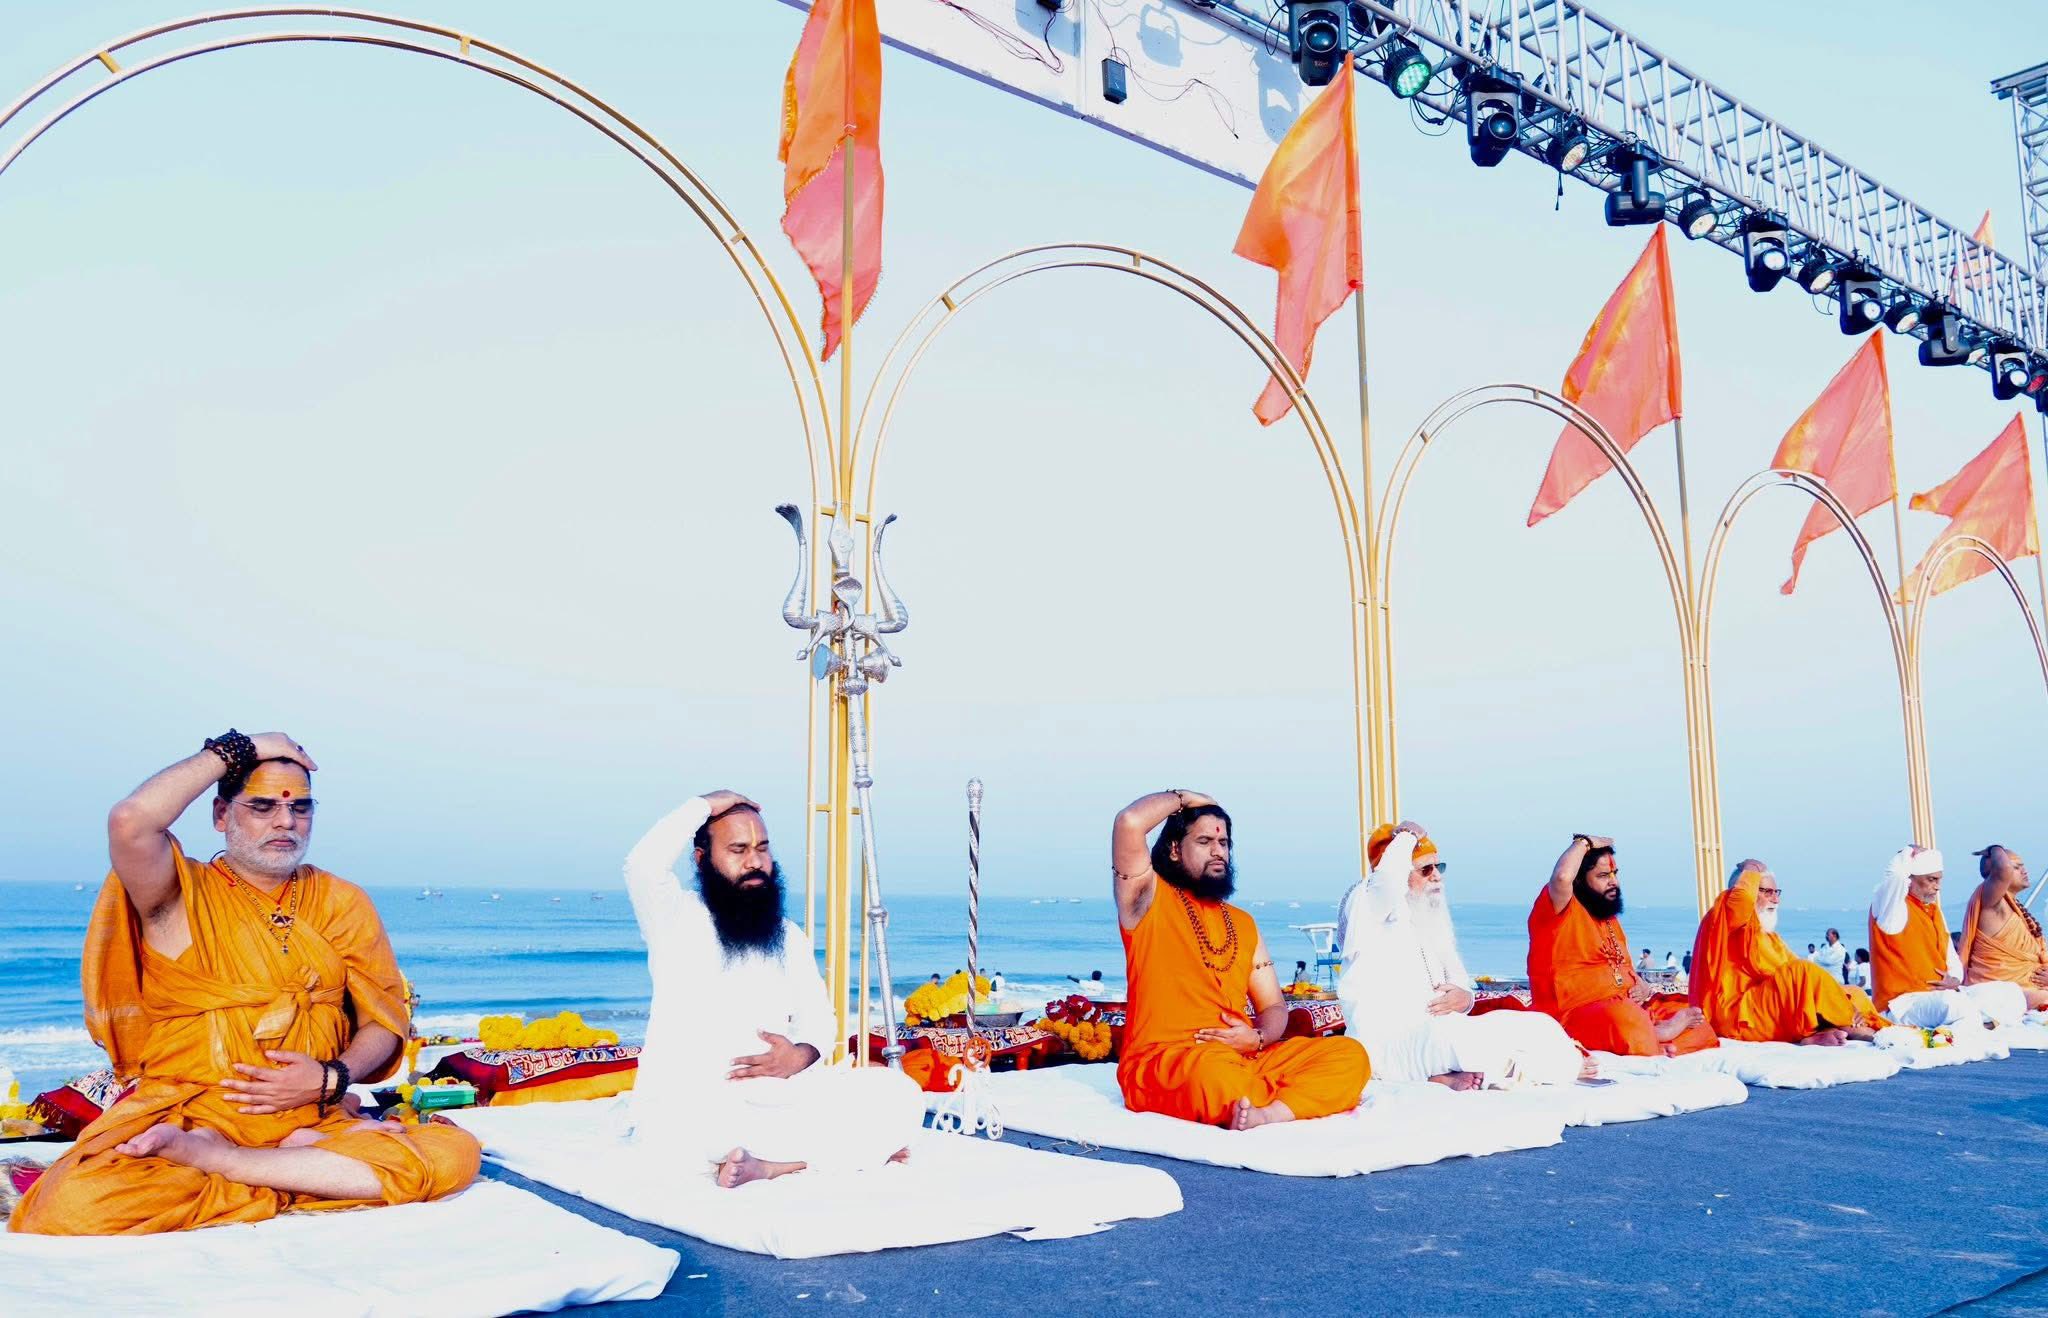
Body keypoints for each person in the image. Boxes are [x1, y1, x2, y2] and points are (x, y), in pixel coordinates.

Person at [11, 733, 479, 1236]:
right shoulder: (178, 895)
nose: (285, 822)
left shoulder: (343, 902)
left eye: (300, 808)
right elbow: (131, 822)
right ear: (221, 815)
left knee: (454, 1155)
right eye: (262, 806)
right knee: (74, 1205)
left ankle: (230, 1163)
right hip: (195, 1113)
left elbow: (384, 1023)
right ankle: (301, 1170)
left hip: (313, 1115)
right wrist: (239, 748)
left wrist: (330, 1078)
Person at [621, 790, 924, 1188]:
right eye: (738, 849)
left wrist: (799, 1055)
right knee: (692, 1131)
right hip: (700, 1103)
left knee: (900, 1094)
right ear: (701, 859)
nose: (754, 862)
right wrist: (707, 804)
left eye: (762, 849)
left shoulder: (787, 936)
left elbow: (821, 1020)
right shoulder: (675, 918)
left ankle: (770, 1165)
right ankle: (838, 1153)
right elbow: (641, 865)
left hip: (779, 1098)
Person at [1112, 790, 1369, 1129]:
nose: (1218, 851)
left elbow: (1273, 1006)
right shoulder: (1148, 901)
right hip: (1171, 1062)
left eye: (1224, 842)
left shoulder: (1243, 923)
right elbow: (1129, 823)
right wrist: (1187, 798)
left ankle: (1269, 1112)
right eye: (1204, 841)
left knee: (1351, 1055)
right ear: (1174, 849)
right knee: (1215, 1077)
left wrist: (1258, 1038)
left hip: (1243, 1056)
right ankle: (1284, 1098)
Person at [1337, 823, 1589, 1090]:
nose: (1437, 877)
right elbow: (1386, 880)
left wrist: (1465, 998)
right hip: (1389, 1045)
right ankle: (1544, 1067)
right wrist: (1408, 836)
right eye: (1425, 869)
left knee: (1539, 1025)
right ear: (1400, 871)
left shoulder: (1427, 917)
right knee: (1458, 1040)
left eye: (1439, 867)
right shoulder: (1368, 904)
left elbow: (1459, 982)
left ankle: (1457, 1074)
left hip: (1437, 1032)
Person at [1527, 835, 1717, 1057]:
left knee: (1700, 1024)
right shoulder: (1559, 909)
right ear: (1579, 880)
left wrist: (1641, 986)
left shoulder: (1608, 917)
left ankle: (1655, 1042)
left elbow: (1622, 967)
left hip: (1628, 1009)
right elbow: (1561, 877)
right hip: (1574, 1014)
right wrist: (1584, 842)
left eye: (1614, 874)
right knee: (1627, 1022)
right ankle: (1656, 1037)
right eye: (1603, 876)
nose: (1614, 882)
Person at [1688, 861, 1880, 1046]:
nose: (1776, 899)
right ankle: (1848, 1025)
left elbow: (1802, 981)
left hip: (1769, 1010)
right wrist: (1751, 868)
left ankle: (1815, 1033)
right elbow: (1741, 900)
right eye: (1767, 892)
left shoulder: (1771, 937)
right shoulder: (1726, 922)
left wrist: (1842, 999)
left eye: (1776, 892)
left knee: (1854, 992)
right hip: (1738, 1016)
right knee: (1803, 972)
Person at [1868, 846, 2026, 1029]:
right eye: (1931, 879)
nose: (1938, 886)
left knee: (2011, 992)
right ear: (1909, 878)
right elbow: (1894, 876)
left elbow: (1951, 957)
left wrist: (1955, 979)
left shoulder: (1934, 910)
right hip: (1902, 1004)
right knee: (1955, 1006)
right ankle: (1977, 1026)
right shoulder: (1890, 909)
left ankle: (1976, 1025)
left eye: (1939, 879)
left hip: (1942, 996)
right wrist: (1907, 852)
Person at [1958, 846, 2048, 1011]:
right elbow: (2003, 868)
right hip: (2003, 995)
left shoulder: (2016, 908)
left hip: (2030, 990)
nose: (2024, 871)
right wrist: (1995, 848)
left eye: (2022, 866)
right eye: (2016, 867)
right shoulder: (1991, 904)